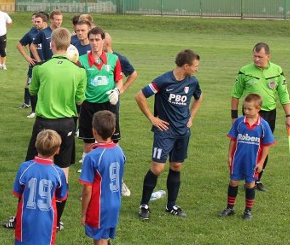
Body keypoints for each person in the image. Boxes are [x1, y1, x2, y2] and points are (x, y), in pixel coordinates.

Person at [6, 28, 85, 231]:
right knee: (63, 171)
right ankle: (56, 221)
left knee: (31, 169)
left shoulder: (40, 68)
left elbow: (32, 90)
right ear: (69, 47)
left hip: (43, 124)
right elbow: (79, 100)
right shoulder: (79, 71)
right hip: (67, 124)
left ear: (51, 46)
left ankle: (20, 217)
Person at [134, 49, 203, 220]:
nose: (197, 69)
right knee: (157, 167)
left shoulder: (193, 82)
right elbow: (140, 96)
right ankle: (144, 204)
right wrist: (152, 118)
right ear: (185, 66)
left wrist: (191, 117)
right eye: (195, 66)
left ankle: (171, 205)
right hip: (164, 131)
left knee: (176, 166)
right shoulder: (163, 80)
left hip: (183, 131)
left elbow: (198, 98)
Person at [231, 42, 290, 193]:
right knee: (246, 144)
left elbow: (284, 94)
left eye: (260, 56)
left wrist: (289, 115)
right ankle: (238, 174)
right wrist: (234, 117)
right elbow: (235, 94)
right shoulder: (245, 71)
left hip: (269, 114)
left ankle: (257, 179)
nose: (256, 59)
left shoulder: (277, 71)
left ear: (268, 56)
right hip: (249, 113)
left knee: (264, 147)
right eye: (254, 56)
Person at [9, 130, 68, 245]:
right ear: (57, 150)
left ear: (35, 145)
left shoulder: (25, 167)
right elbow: (61, 196)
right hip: (46, 221)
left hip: (26, 219)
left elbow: (17, 192)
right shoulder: (58, 172)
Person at [79, 110, 126, 245]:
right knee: (105, 239)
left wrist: (84, 213)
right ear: (113, 131)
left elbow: (87, 190)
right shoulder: (119, 151)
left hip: (100, 206)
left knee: (99, 244)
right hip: (115, 203)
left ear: (93, 131)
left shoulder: (93, 156)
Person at [219, 93, 275, 221]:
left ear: (258, 108)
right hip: (237, 159)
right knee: (233, 182)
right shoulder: (239, 122)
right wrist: (229, 156)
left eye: (250, 109)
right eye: (245, 108)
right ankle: (230, 208)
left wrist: (261, 162)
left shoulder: (263, 125)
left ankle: (248, 210)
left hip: (253, 161)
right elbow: (232, 140)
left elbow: (267, 145)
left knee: (250, 184)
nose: (246, 111)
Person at [77, 27, 123, 163]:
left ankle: (115, 167)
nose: (94, 43)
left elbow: (119, 80)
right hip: (88, 105)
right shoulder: (81, 60)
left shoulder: (114, 59)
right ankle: (88, 168)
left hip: (108, 105)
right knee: (88, 143)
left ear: (103, 41)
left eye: (97, 39)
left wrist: (117, 91)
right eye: (91, 40)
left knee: (114, 140)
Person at [103, 32, 138, 197]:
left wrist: (121, 90)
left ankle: (118, 180)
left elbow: (133, 74)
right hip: (93, 108)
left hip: (111, 110)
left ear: (106, 43)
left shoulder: (118, 59)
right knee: (92, 146)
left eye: (98, 40)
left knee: (113, 145)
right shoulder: (90, 58)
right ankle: (93, 183)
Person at [26, 12, 49, 118]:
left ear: (45, 22)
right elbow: (28, 45)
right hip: (36, 66)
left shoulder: (51, 33)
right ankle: (34, 110)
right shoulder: (32, 32)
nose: (35, 24)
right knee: (33, 87)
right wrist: (30, 58)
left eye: (38, 22)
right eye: (34, 21)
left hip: (49, 66)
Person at [15, 13, 40, 110]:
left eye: (35, 19)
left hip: (44, 63)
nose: (33, 21)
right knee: (29, 83)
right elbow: (24, 43)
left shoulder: (47, 32)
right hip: (34, 64)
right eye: (33, 20)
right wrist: (28, 57)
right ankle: (27, 103)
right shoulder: (32, 31)